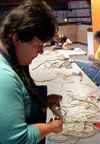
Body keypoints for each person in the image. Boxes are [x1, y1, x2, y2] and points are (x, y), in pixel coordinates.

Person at [0, 0, 63, 143]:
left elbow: (18, 100)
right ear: (17, 38)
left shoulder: (15, 58)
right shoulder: (4, 77)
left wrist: (42, 101)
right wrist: (51, 127)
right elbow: (18, 140)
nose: (41, 52)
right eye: (38, 46)